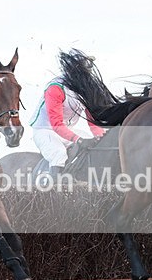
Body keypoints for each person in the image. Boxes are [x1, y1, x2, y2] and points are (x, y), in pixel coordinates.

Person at [30, 51, 106, 183]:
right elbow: (56, 124)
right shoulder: (56, 88)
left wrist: (101, 137)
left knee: (93, 144)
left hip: (67, 130)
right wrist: (79, 140)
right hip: (46, 130)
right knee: (58, 154)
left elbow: (92, 120)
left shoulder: (84, 90)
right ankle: (54, 192)